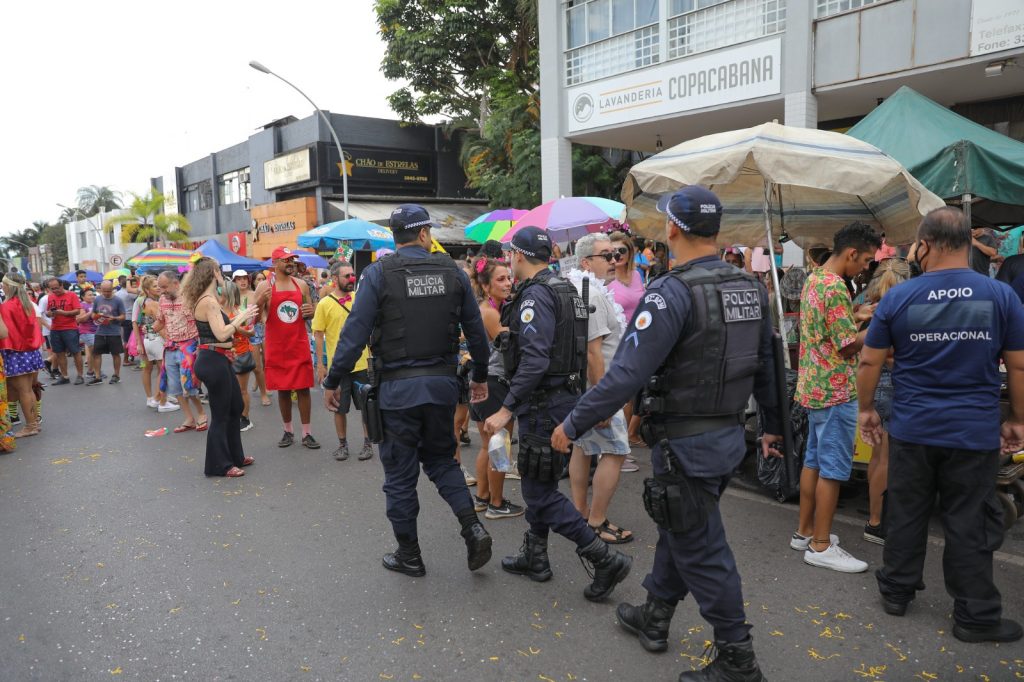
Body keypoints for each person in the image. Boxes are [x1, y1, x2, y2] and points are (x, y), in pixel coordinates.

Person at [549, 188, 783, 681]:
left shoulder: (671, 291)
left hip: (687, 443)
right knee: (682, 529)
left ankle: (738, 660)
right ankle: (655, 615)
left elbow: (624, 376)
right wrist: (773, 429)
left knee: (704, 548)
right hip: (725, 440)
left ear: (673, 230)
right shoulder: (749, 287)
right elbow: (769, 367)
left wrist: (572, 423)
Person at [858, 206, 1024, 644]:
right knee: (968, 520)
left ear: (924, 245)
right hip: (973, 433)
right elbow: (1019, 367)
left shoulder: (898, 297)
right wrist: (1018, 419)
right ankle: (974, 616)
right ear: (970, 243)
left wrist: (866, 410)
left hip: (913, 430)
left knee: (907, 512)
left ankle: (896, 591)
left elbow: (870, 359)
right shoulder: (1000, 295)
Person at [323, 203, 493, 577]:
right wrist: (480, 374)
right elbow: (477, 333)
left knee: (399, 477)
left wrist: (334, 380)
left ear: (395, 236)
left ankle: (410, 555)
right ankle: (473, 527)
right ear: (423, 233)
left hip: (397, 393)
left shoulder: (377, 275)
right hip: (442, 387)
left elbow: (354, 334)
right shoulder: (453, 272)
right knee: (441, 461)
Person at [484, 226, 632, 602]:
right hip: (562, 398)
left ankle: (603, 558)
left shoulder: (536, 295)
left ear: (518, 255)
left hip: (544, 403)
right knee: (542, 483)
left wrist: (505, 409)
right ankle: (535, 556)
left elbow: (534, 361)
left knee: (538, 492)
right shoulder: (564, 287)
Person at [792, 222, 880, 574]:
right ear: (852, 253)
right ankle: (821, 545)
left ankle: (805, 531)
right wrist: (880, 321)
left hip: (814, 385)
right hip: (836, 389)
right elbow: (846, 346)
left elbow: (827, 326)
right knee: (832, 468)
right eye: (867, 261)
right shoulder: (837, 288)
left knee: (813, 461)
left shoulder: (817, 278)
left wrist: (857, 315)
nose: (866, 268)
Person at [565, 234, 634, 544]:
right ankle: (596, 520)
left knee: (582, 446)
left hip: (591, 388)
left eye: (617, 253)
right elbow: (593, 352)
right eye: (606, 255)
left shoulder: (590, 290)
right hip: (600, 388)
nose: (614, 259)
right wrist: (603, 400)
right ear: (585, 263)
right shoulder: (590, 294)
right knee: (616, 451)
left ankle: (580, 512)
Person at [185, 257, 259, 478]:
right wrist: (241, 317)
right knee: (220, 414)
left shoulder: (210, 298)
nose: (223, 275)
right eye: (219, 271)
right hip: (212, 360)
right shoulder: (208, 301)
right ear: (213, 273)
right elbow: (222, 333)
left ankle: (236, 456)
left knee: (235, 406)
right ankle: (220, 465)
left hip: (219, 358)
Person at [468, 257, 524, 519]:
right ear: (486, 286)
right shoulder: (490, 313)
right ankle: (497, 504)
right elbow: (514, 343)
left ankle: (482, 497)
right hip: (494, 383)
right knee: (500, 446)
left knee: (487, 445)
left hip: (483, 383)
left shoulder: (489, 308)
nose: (508, 283)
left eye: (508, 277)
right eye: (500, 279)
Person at [860, 258, 910, 546]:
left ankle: (875, 517)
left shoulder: (871, 306)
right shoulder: (900, 308)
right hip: (892, 383)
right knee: (886, 459)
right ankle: (877, 523)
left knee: (878, 457)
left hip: (877, 384)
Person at [255, 247, 318, 449]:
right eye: (286, 260)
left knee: (303, 389)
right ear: (275, 263)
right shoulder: (264, 287)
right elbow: (255, 320)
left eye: (292, 259)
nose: (291, 263)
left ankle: (307, 433)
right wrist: (260, 302)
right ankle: (288, 430)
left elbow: (311, 313)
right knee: (283, 390)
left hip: (298, 343)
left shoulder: (301, 285)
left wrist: (311, 311)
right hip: (277, 345)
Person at [312, 260, 373, 462]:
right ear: (335, 278)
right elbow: (318, 335)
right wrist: (320, 365)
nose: (352, 279)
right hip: (338, 368)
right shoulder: (324, 304)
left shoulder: (359, 299)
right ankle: (343, 445)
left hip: (362, 364)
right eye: (347, 276)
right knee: (339, 407)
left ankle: (367, 444)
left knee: (366, 407)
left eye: (353, 275)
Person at [607, 231, 647, 449]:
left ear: (630, 252)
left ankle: (625, 436)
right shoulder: (605, 280)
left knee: (633, 392)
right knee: (620, 392)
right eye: (612, 252)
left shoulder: (637, 275)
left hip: (637, 339)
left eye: (622, 250)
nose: (617, 255)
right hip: (614, 342)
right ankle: (617, 440)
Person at [155, 270, 207, 432]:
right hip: (170, 347)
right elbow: (160, 321)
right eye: (160, 287)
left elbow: (201, 321)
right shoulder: (162, 299)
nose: (162, 290)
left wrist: (201, 346)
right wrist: (152, 328)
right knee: (175, 386)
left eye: (164, 287)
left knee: (190, 384)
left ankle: (201, 415)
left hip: (189, 347)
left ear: (175, 283)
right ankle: (189, 418)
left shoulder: (190, 297)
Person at [0, 273, 44, 438]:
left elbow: (6, 334)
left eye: (3, 284)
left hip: (15, 352)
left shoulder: (6, 306)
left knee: (22, 391)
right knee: (27, 390)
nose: (2, 286)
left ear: (9, 286)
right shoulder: (28, 304)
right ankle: (34, 423)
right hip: (30, 352)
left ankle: (31, 425)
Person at [135, 275, 173, 411]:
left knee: (155, 369)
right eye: (155, 286)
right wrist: (169, 340)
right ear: (147, 289)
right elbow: (160, 325)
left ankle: (157, 398)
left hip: (148, 340)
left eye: (159, 285)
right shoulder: (152, 303)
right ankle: (159, 400)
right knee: (163, 370)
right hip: (156, 340)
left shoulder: (144, 302)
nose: (158, 288)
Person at [224, 280, 256, 432]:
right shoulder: (217, 311)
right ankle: (234, 415)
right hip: (225, 355)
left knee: (241, 390)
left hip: (241, 354)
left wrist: (234, 325)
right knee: (229, 390)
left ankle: (245, 417)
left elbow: (251, 332)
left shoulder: (239, 311)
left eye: (220, 291)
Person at [236, 271, 271, 407]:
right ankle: (242, 394)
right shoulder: (232, 297)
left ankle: (263, 393)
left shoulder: (254, 295)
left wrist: (264, 320)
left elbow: (262, 312)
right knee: (241, 367)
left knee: (258, 366)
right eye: (239, 279)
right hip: (239, 334)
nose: (242, 281)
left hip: (255, 331)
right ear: (234, 281)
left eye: (245, 278)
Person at [44, 277, 84, 385]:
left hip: (70, 328)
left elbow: (77, 310)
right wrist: (49, 313)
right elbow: (48, 311)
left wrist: (64, 313)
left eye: (57, 288)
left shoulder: (72, 295)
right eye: (52, 289)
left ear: (62, 285)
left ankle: (80, 375)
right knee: (59, 353)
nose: (55, 291)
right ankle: (65, 376)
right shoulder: (50, 297)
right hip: (55, 328)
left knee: (75, 352)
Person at [89, 280, 126, 386]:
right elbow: (93, 313)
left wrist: (114, 318)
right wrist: (96, 316)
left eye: (108, 291)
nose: (106, 293)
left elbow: (123, 316)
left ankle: (116, 375)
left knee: (115, 354)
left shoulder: (118, 300)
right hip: (100, 331)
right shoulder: (97, 299)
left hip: (114, 332)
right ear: (100, 289)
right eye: (103, 291)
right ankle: (97, 377)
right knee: (96, 354)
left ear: (112, 289)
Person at [116, 275, 138, 365]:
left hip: (122, 318)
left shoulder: (117, 294)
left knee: (126, 339)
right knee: (129, 340)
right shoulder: (131, 293)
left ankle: (129, 357)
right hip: (130, 318)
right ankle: (126, 359)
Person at [77, 288, 98, 379]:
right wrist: (90, 312)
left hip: (96, 330)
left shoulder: (95, 304)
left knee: (94, 352)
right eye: (89, 295)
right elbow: (80, 319)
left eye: (93, 294)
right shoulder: (81, 305)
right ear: (83, 297)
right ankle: (91, 371)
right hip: (86, 331)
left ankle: (94, 370)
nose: (92, 296)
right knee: (93, 351)